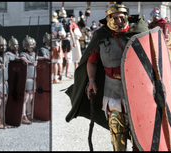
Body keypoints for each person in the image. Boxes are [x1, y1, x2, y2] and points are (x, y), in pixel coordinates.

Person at [65, 2, 148, 151]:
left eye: (122, 17)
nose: (119, 21)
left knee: (139, 134)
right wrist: (91, 81)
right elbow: (91, 62)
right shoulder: (101, 37)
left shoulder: (137, 34)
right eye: (115, 17)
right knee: (117, 132)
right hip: (112, 90)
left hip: (135, 91)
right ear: (108, 18)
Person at [19, 36, 38, 124]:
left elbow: (37, 59)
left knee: (30, 99)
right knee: (25, 99)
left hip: (33, 79)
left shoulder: (33, 54)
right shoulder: (23, 54)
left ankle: (29, 115)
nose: (33, 46)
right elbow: (23, 59)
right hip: (26, 79)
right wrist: (31, 63)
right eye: (31, 45)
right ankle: (23, 116)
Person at [51, 11, 65, 84]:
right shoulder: (58, 25)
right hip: (56, 45)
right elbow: (63, 35)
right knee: (56, 62)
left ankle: (54, 77)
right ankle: (55, 78)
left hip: (48, 45)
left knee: (52, 62)